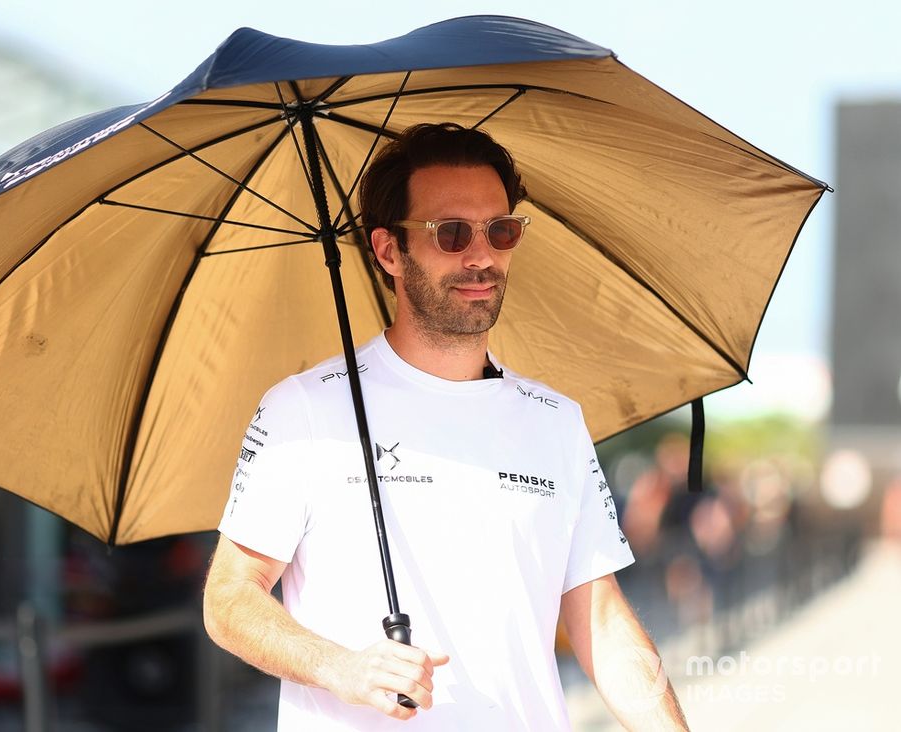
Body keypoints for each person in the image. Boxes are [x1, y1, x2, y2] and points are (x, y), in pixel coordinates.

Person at [203, 123, 688, 730]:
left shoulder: (556, 421)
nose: (481, 256)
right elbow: (229, 598)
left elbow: (603, 622)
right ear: (389, 252)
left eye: (501, 231)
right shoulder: (303, 408)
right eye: (451, 232)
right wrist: (338, 667)